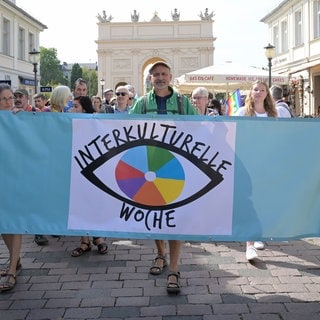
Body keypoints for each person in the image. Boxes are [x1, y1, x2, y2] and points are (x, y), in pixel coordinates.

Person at [129, 61, 198, 294]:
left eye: (163, 74)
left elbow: (199, 128)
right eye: (155, 74)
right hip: (148, 167)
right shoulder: (140, 103)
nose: (159, 77)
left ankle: (174, 269)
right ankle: (160, 254)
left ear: (170, 77)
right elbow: (124, 129)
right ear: (150, 78)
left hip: (176, 168)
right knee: (154, 215)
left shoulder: (182, 102)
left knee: (174, 218)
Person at [234, 80, 289, 261]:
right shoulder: (242, 112)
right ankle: (249, 245)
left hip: (268, 164)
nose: (258, 92)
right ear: (250, 92)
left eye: (262, 90)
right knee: (249, 202)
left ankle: (258, 235)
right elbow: (233, 133)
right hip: (248, 163)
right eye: (255, 89)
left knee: (263, 200)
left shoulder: (275, 113)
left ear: (267, 94)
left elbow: (285, 136)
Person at [70, 95, 108, 257]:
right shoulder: (69, 122)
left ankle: (96, 237)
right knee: (78, 204)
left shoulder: (95, 123)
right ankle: (85, 240)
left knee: (91, 203)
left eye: (76, 106)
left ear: (84, 109)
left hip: (92, 170)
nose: (72, 109)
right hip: (75, 169)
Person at [0, 83, 23, 291]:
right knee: (3, 223)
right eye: (4, 99)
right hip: (1, 176)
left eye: (10, 98)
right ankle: (14, 259)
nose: (8, 102)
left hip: (16, 176)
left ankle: (12, 269)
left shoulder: (19, 118)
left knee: (14, 221)